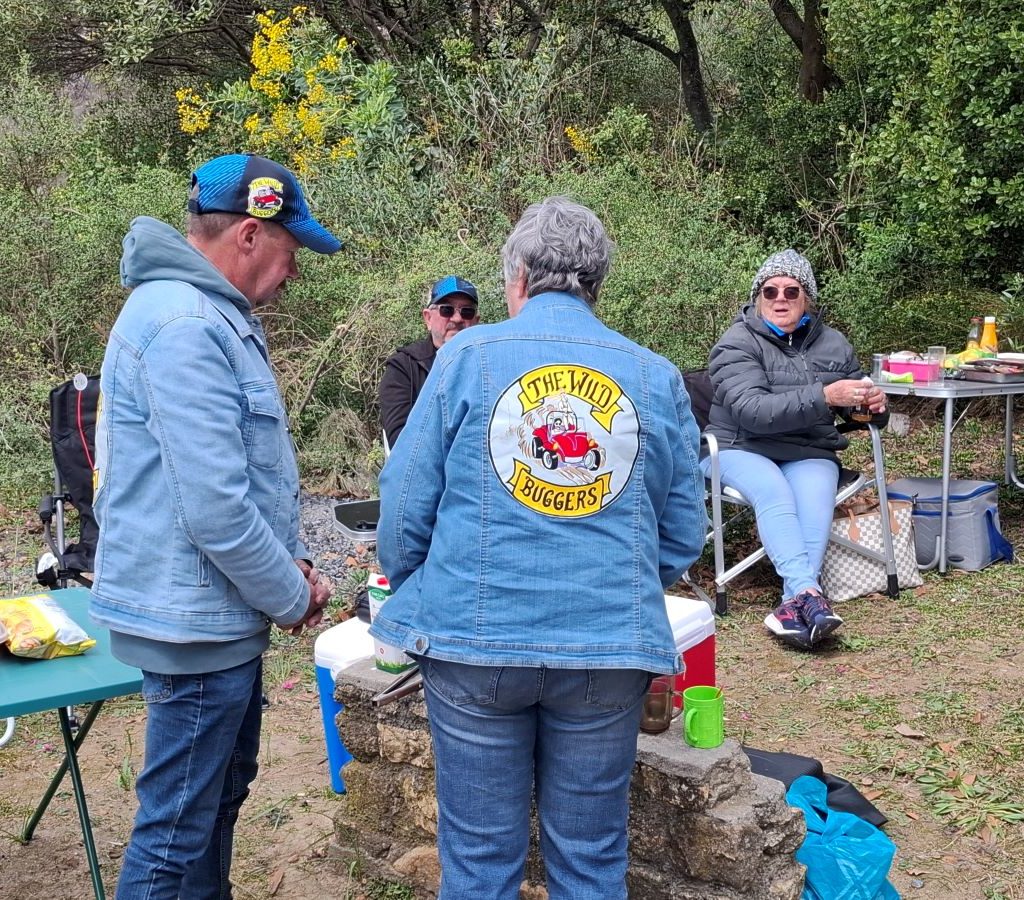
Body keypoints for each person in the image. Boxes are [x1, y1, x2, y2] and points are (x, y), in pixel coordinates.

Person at [371, 196, 707, 899]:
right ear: (597, 283)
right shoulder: (653, 375)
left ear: (517, 278)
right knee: (590, 860)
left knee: (479, 860)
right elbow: (680, 533)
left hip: (473, 642)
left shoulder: (465, 355)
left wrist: (427, 584)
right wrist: (619, 579)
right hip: (609, 646)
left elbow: (402, 513)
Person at [89, 153, 337, 898]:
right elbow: (216, 510)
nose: (294, 273)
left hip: (208, 616)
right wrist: (292, 596)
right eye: (292, 252)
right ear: (252, 237)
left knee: (209, 809)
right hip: (194, 626)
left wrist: (284, 569)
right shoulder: (188, 326)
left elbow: (231, 490)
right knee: (173, 836)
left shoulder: (204, 316)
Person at [703, 249, 888, 651]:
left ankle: (794, 603)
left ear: (808, 298)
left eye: (792, 290)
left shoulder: (834, 344)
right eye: (770, 290)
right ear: (757, 297)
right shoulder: (736, 342)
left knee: (816, 494)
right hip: (741, 446)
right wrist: (825, 395)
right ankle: (807, 592)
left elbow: (855, 410)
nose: (780, 298)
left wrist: (872, 409)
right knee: (774, 491)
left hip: (808, 448)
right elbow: (752, 412)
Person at [378, 275, 480, 449]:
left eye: (466, 311)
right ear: (428, 318)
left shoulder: (487, 365)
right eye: (446, 310)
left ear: (476, 321)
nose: (457, 319)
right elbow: (400, 442)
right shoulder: (403, 368)